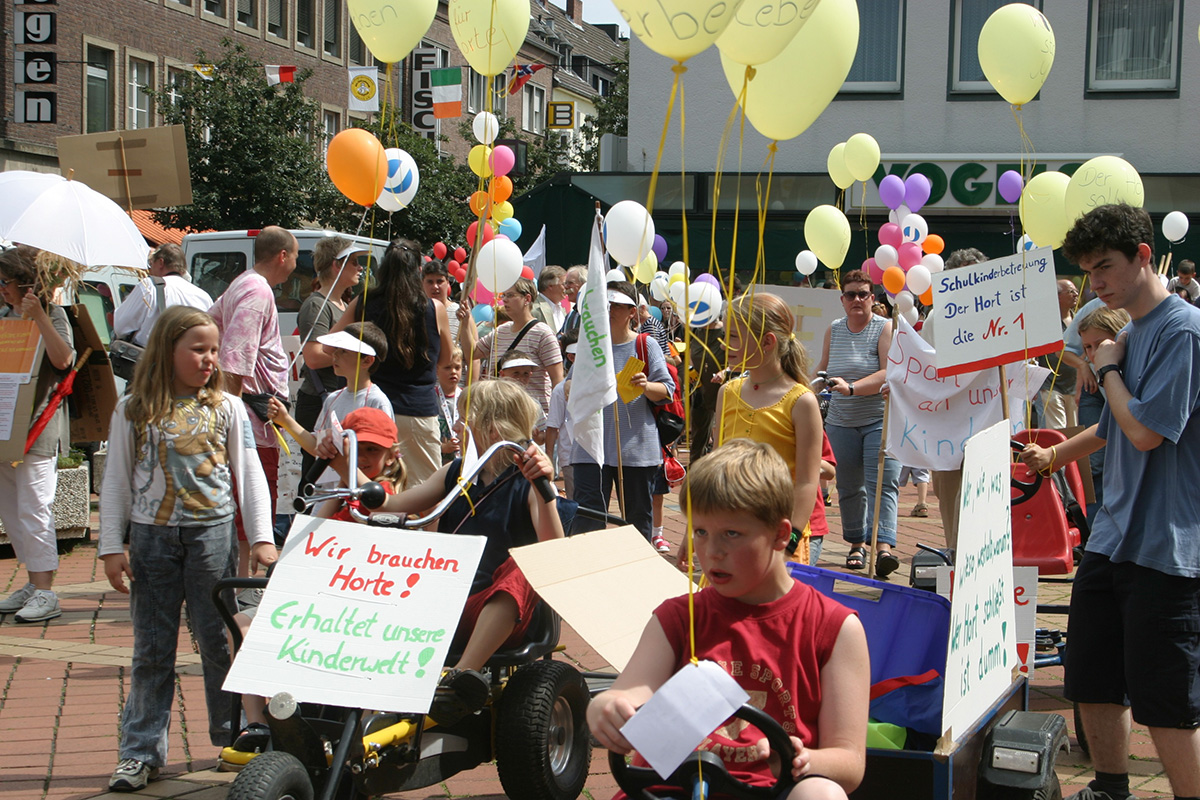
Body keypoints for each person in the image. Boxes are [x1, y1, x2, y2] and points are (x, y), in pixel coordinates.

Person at [1028, 204, 1200, 800]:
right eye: (1087, 270)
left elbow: (1145, 430)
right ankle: (1109, 788)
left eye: (1104, 266)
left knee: (1166, 698)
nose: (1095, 282)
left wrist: (1107, 373)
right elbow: (1110, 429)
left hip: (1165, 546)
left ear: (1143, 256)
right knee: (1093, 675)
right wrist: (1055, 455)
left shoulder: (1182, 331)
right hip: (1111, 536)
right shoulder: (1131, 333)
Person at [588, 439, 869, 800]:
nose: (711, 552)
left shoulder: (834, 627)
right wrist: (607, 708)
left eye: (731, 534)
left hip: (771, 791)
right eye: (701, 532)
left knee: (821, 793)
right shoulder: (677, 617)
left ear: (780, 535)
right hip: (670, 789)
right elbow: (631, 692)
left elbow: (849, 762)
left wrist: (803, 760)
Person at [98, 306, 277, 792]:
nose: (209, 359)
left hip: (211, 536)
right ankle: (140, 751)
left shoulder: (228, 407)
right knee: (152, 646)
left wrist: (261, 536)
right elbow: (116, 479)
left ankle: (236, 736)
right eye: (198, 349)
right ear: (167, 350)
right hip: (151, 539)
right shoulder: (133, 408)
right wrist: (111, 545)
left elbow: (249, 474)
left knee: (218, 638)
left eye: (214, 350)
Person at [376, 380, 560, 725]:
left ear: (491, 429)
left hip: (502, 610)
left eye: (465, 421)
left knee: (526, 564)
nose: (459, 429)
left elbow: (553, 549)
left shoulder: (527, 480)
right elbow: (389, 505)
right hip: (445, 601)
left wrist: (542, 486)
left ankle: (460, 678)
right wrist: (341, 463)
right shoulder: (456, 473)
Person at [332, 238, 453, 488]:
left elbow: (330, 343)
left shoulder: (363, 303)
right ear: (418, 270)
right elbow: (446, 360)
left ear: (384, 268)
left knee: (371, 489)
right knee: (426, 493)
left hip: (373, 409)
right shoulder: (433, 308)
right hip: (417, 411)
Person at [713, 292, 822, 563]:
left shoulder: (801, 401)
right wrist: (699, 532)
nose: (725, 344)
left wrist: (789, 542)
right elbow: (715, 472)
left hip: (777, 538)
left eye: (734, 336)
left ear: (767, 342)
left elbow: (807, 482)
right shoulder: (727, 392)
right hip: (728, 534)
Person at [207, 226, 294, 562]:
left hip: (253, 414)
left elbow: (210, 322)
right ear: (283, 256)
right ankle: (243, 581)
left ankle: (241, 577)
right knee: (254, 501)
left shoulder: (242, 283)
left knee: (249, 500)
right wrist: (233, 422)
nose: (295, 265)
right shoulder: (258, 291)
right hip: (252, 420)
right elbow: (234, 357)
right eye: (295, 257)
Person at [0, 246, 76, 623]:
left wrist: (40, 317)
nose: (2, 289)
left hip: (38, 427)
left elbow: (64, 359)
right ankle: (32, 583)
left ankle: (46, 591)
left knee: (35, 508)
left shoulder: (54, 313)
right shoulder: (3, 317)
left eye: (6, 282)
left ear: (26, 284)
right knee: (11, 511)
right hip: (5, 427)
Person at [570, 282, 675, 544]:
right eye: (606, 305)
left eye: (617, 305)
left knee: (636, 523)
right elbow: (569, 387)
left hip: (635, 450)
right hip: (590, 448)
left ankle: (637, 568)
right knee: (587, 521)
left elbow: (667, 390)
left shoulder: (645, 344)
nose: (610, 310)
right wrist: (587, 384)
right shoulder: (589, 345)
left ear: (632, 312)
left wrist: (645, 385)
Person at [815, 269, 901, 577]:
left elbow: (887, 372)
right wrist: (808, 388)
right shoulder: (834, 329)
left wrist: (851, 388)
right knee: (849, 487)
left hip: (878, 419)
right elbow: (823, 368)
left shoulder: (884, 327)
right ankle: (856, 544)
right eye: (850, 294)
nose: (857, 300)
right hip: (841, 422)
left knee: (882, 484)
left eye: (863, 294)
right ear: (842, 299)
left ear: (872, 297)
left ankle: (883, 548)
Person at [918, 247, 988, 552]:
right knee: (950, 495)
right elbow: (927, 367)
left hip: (987, 419)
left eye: (974, 276)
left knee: (985, 492)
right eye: (961, 277)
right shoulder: (936, 318)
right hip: (948, 423)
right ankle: (957, 557)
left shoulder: (1000, 314)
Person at [266, 323, 393, 472]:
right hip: (333, 486)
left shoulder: (377, 401)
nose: (335, 355)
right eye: (336, 349)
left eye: (343, 351)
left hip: (360, 485)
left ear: (367, 361)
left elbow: (385, 455)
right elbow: (317, 447)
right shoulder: (332, 399)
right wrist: (285, 420)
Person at [294, 238, 366, 483]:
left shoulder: (341, 304)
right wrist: (354, 357)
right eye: (354, 262)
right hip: (318, 400)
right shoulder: (316, 304)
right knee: (316, 475)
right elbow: (313, 357)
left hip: (335, 397)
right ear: (337, 265)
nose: (360, 268)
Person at [460, 276, 563, 415]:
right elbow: (472, 353)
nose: (505, 300)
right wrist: (466, 322)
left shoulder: (543, 333)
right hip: (499, 412)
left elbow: (557, 378)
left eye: (510, 295)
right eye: (504, 295)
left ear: (527, 299)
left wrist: (556, 417)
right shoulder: (501, 331)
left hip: (531, 415)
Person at [112, 243, 214, 347]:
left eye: (152, 263)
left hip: (149, 354)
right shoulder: (204, 297)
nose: (150, 269)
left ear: (161, 262)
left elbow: (121, 326)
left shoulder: (149, 286)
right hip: (186, 356)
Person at [1035, 278, 1081, 429]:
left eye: (1076, 291)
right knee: (1057, 431)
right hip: (1050, 385)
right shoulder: (1044, 322)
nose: (1076, 294)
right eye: (1071, 291)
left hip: (1074, 385)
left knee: (1074, 430)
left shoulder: (1079, 320)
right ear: (1057, 296)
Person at [545, 339, 577, 497]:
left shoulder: (599, 386)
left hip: (597, 457)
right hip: (571, 457)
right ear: (571, 357)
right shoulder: (560, 390)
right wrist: (549, 460)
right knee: (575, 500)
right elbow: (552, 427)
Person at [422, 258, 460, 346]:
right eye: (430, 282)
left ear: (447, 282)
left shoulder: (460, 312)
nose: (435, 287)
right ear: (422, 283)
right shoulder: (416, 313)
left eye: (439, 281)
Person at [436, 347, 464, 464]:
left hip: (461, 461)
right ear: (436, 370)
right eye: (447, 368)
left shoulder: (466, 397)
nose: (453, 372)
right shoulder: (431, 398)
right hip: (438, 461)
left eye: (457, 367)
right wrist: (442, 447)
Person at [532, 265, 567, 333]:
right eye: (563, 284)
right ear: (550, 286)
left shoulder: (562, 309)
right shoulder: (533, 309)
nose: (567, 287)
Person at [559, 265, 586, 340]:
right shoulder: (571, 314)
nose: (566, 287)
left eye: (570, 283)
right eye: (565, 283)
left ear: (583, 285)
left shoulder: (592, 313)